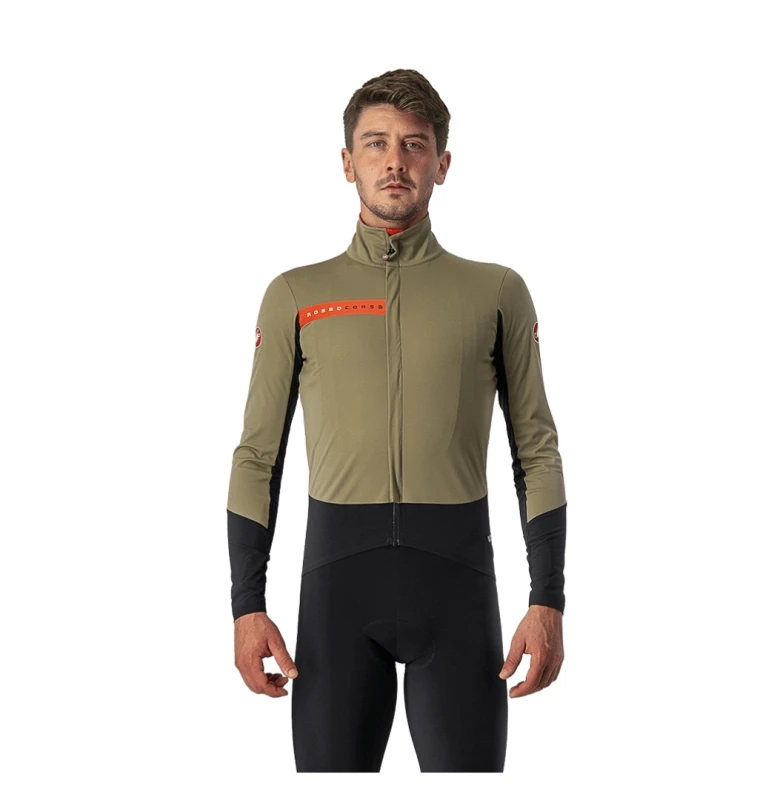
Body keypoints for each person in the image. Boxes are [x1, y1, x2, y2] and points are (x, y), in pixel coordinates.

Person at [226, 68, 568, 773]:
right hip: (336, 598)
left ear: (442, 164)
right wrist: (245, 605)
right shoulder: (296, 294)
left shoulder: (496, 292)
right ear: (346, 161)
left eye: (414, 145)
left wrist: (548, 600)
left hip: (458, 593)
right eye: (375, 143)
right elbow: (258, 457)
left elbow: (536, 449)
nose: (394, 161)